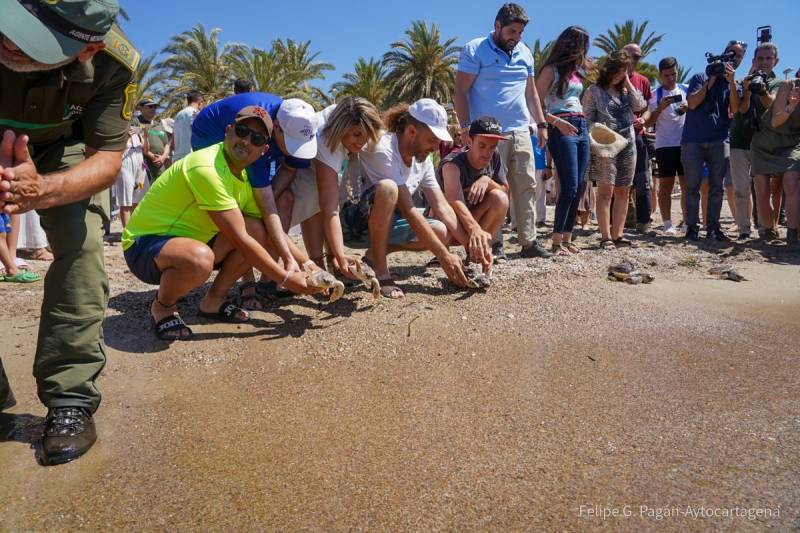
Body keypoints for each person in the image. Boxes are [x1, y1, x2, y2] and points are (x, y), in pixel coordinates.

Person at [0, 0, 137, 465]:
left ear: (87, 49)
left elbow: (107, 160)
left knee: (82, 250)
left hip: (62, 149)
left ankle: (70, 399)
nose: (10, 41)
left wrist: (42, 191)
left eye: (33, 43)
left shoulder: (114, 65)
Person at [121, 106, 316, 340]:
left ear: (264, 150)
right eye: (242, 131)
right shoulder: (207, 167)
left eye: (256, 138)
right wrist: (284, 278)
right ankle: (163, 306)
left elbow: (265, 230)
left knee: (257, 228)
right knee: (200, 258)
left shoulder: (244, 177)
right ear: (228, 130)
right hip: (144, 244)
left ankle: (213, 301)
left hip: (193, 241)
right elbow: (239, 240)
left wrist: (308, 265)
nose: (246, 141)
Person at [191, 92, 321, 304]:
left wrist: (303, 263)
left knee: (278, 203)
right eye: (290, 143)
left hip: (264, 142)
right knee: (245, 215)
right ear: (276, 127)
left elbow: (287, 173)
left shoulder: (301, 125)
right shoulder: (255, 134)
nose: (294, 151)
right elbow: (266, 204)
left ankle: (268, 279)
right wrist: (293, 260)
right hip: (210, 132)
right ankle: (246, 276)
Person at [341, 99, 470, 298]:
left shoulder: (422, 159)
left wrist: (470, 248)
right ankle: (382, 273)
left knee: (441, 232)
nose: (436, 147)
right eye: (432, 139)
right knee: (388, 188)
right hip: (352, 224)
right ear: (411, 131)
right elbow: (409, 210)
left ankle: (372, 257)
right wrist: (444, 256)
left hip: (384, 223)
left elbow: (441, 205)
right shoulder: (383, 148)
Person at [454, 2, 552, 259]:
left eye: (520, 33)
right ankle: (494, 243)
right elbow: (460, 92)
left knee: (527, 184)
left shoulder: (525, 53)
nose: (516, 38)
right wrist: (465, 127)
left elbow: (531, 93)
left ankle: (529, 242)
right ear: (497, 26)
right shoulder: (475, 49)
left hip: (520, 128)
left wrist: (541, 124)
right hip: (487, 133)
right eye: (511, 32)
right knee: (491, 188)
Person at [281, 97, 384, 278]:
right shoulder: (326, 142)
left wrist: (337, 255)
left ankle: (329, 261)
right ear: (342, 129)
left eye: (366, 135)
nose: (362, 141)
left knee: (319, 200)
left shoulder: (351, 114)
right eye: (356, 135)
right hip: (295, 166)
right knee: (311, 201)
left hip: (313, 164)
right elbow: (331, 211)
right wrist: (341, 255)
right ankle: (313, 265)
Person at [681, 40, 746, 241]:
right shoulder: (700, 76)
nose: (733, 57)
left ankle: (713, 228)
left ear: (741, 60)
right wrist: (710, 81)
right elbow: (691, 103)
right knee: (692, 186)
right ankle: (692, 228)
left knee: (717, 187)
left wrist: (732, 83)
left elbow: (735, 109)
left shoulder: (735, 83)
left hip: (719, 139)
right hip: (693, 139)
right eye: (731, 53)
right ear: (723, 53)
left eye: (738, 55)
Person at [535, 25, 591, 255]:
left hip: (581, 124)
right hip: (561, 124)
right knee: (568, 185)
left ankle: (567, 237)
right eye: (582, 46)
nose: (584, 51)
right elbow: (535, 102)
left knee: (580, 185)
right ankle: (556, 240)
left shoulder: (577, 72)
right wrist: (554, 122)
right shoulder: (551, 70)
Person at [583, 50, 647, 249]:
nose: (620, 74)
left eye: (625, 71)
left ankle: (618, 234)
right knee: (605, 191)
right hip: (606, 145)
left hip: (628, 144)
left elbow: (640, 106)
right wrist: (597, 139)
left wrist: (627, 81)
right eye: (618, 70)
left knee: (623, 190)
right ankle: (605, 236)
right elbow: (586, 118)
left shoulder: (627, 92)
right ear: (609, 69)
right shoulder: (594, 91)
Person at [437, 116, 510, 265]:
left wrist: (488, 182)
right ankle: (444, 252)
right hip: (447, 226)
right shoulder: (452, 164)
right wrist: (474, 229)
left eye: (492, 146)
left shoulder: (494, 158)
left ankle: (477, 253)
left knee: (500, 198)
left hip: (474, 218)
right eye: (482, 145)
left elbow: (505, 190)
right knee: (442, 206)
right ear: (469, 142)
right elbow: (454, 200)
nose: (487, 152)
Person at [733, 43, 782, 241]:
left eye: (768, 58)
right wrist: (743, 87)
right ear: (754, 61)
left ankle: (766, 228)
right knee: (740, 189)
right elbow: (738, 108)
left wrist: (761, 90)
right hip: (739, 138)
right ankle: (744, 229)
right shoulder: (743, 80)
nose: (764, 62)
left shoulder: (779, 83)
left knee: (765, 189)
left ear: (775, 61)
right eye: (760, 59)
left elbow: (773, 105)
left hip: (764, 142)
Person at [642, 57, 689, 235]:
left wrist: (688, 107)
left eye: (674, 74)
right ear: (660, 75)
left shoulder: (686, 89)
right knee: (666, 186)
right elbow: (648, 123)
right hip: (664, 145)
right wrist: (659, 109)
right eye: (667, 75)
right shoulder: (655, 95)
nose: (671, 78)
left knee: (687, 185)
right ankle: (667, 223)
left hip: (685, 144)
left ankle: (686, 221)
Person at [751, 79, 800, 245]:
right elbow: (775, 121)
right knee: (763, 190)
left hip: (792, 144)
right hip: (765, 142)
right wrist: (792, 106)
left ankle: (792, 235)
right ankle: (769, 230)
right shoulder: (788, 86)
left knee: (791, 182)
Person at [624, 43, 654, 234]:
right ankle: (620, 222)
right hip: (617, 138)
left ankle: (644, 222)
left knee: (642, 181)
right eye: (632, 56)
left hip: (638, 136)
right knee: (618, 182)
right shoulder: (611, 80)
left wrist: (644, 119)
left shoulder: (642, 81)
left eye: (638, 57)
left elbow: (648, 108)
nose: (635, 60)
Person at [138, 98, 171, 179]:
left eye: (155, 107)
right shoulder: (136, 122)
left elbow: (166, 144)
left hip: (160, 165)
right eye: (150, 106)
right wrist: (153, 157)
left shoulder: (158, 125)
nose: (153, 109)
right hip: (145, 165)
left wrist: (163, 157)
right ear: (141, 109)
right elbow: (138, 143)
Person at [172, 90, 204, 161]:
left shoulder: (179, 114)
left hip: (177, 157)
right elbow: (200, 133)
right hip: (190, 157)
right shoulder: (195, 113)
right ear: (200, 102)